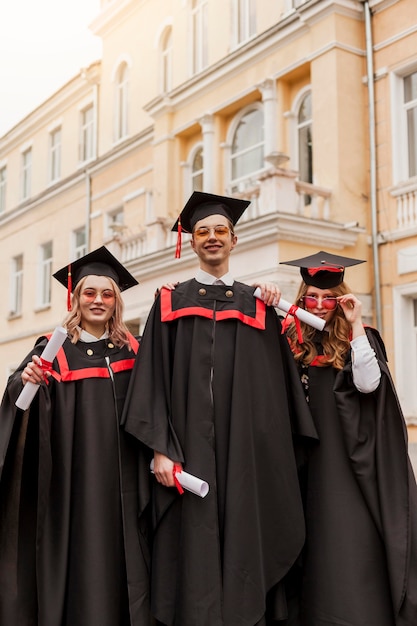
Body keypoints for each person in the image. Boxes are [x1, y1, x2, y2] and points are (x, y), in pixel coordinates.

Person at [122, 191, 318, 626]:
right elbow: (150, 378)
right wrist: (160, 448)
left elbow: (277, 387)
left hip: (243, 449)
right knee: (191, 543)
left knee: (244, 531)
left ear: (234, 240)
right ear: (191, 242)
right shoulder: (169, 302)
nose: (212, 238)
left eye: (220, 232)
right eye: (203, 232)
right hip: (187, 447)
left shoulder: (257, 304)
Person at [0, 246, 152, 626]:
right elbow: (16, 400)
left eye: (107, 294)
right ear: (76, 298)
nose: (97, 301)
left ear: (116, 301)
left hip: (123, 482)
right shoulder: (52, 350)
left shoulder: (132, 349)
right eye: (89, 292)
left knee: (123, 561)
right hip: (70, 482)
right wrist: (27, 381)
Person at [280, 250, 417, 626]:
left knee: (342, 542)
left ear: (342, 300)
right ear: (301, 299)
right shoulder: (290, 341)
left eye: (329, 298)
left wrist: (354, 324)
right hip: (299, 459)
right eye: (311, 297)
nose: (320, 305)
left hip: (341, 461)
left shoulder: (359, 340)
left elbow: (369, 385)